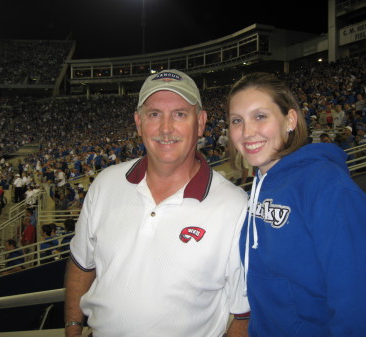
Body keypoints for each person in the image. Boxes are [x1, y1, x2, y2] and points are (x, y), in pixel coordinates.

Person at [64, 69, 250, 337]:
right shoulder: (105, 184)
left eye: (179, 114)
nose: (166, 128)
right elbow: (82, 264)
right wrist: (72, 327)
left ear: (200, 123)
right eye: (154, 114)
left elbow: (245, 314)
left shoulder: (235, 207)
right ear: (139, 123)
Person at [227, 72, 366, 337]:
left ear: (290, 120)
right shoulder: (261, 183)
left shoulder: (327, 185)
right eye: (237, 120)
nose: (247, 132)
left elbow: (360, 304)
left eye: (260, 116)